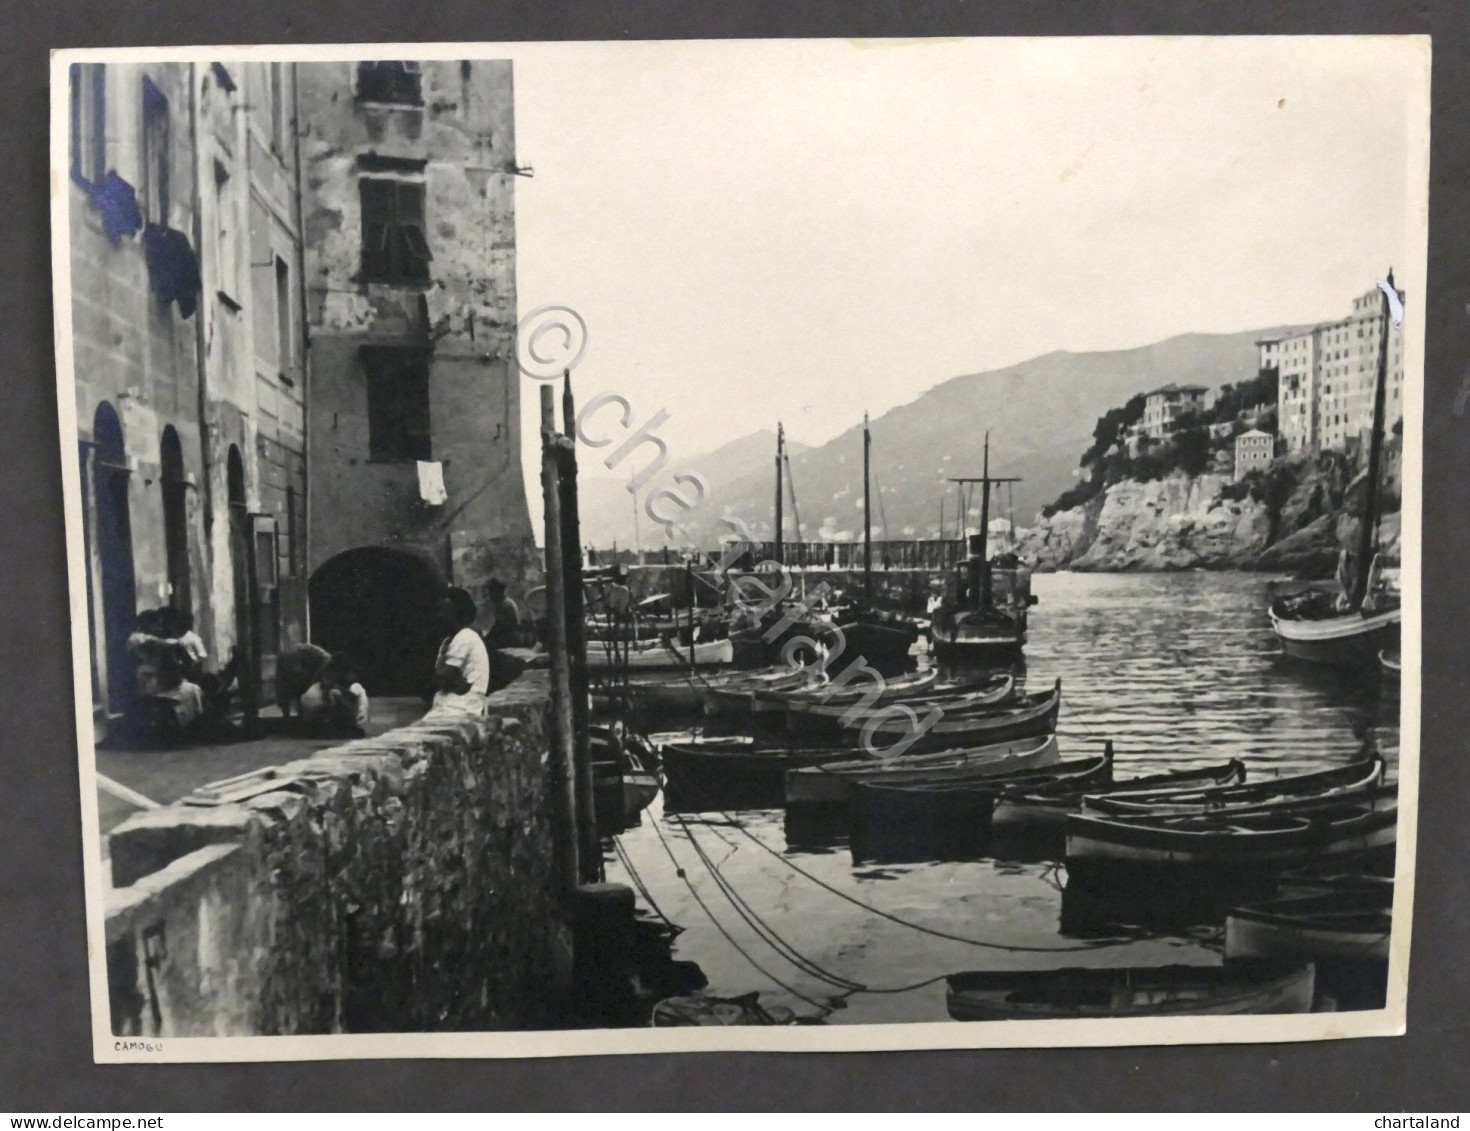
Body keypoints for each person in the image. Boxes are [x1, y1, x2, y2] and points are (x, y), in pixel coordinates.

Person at [428, 586, 491, 718]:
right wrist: (446, 678)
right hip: (455, 703)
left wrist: (444, 677)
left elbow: (443, 677)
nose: (440, 616)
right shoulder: (449, 641)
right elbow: (439, 678)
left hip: (463, 706)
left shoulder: (465, 637)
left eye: (445, 612)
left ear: (458, 613)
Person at [299, 653, 370, 737]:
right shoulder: (322, 681)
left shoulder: (352, 683)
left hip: (344, 718)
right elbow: (325, 687)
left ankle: (344, 725)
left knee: (354, 690)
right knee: (329, 694)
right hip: (322, 715)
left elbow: (350, 697)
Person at [276, 642, 332, 718]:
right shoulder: (327, 661)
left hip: (290, 655)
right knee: (293, 685)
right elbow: (314, 679)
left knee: (285, 684)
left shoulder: (325, 659)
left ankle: (289, 713)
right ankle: (293, 714)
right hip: (294, 657)